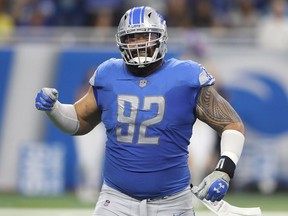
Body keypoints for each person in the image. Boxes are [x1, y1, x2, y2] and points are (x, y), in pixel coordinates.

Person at [35, 6, 245, 216]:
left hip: (173, 201)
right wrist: (54, 109)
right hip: (116, 200)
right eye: (132, 38)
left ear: (161, 38)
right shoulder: (108, 74)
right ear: (121, 41)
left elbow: (231, 123)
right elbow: (79, 121)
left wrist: (224, 170)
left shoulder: (185, 75)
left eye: (145, 36)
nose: (139, 44)